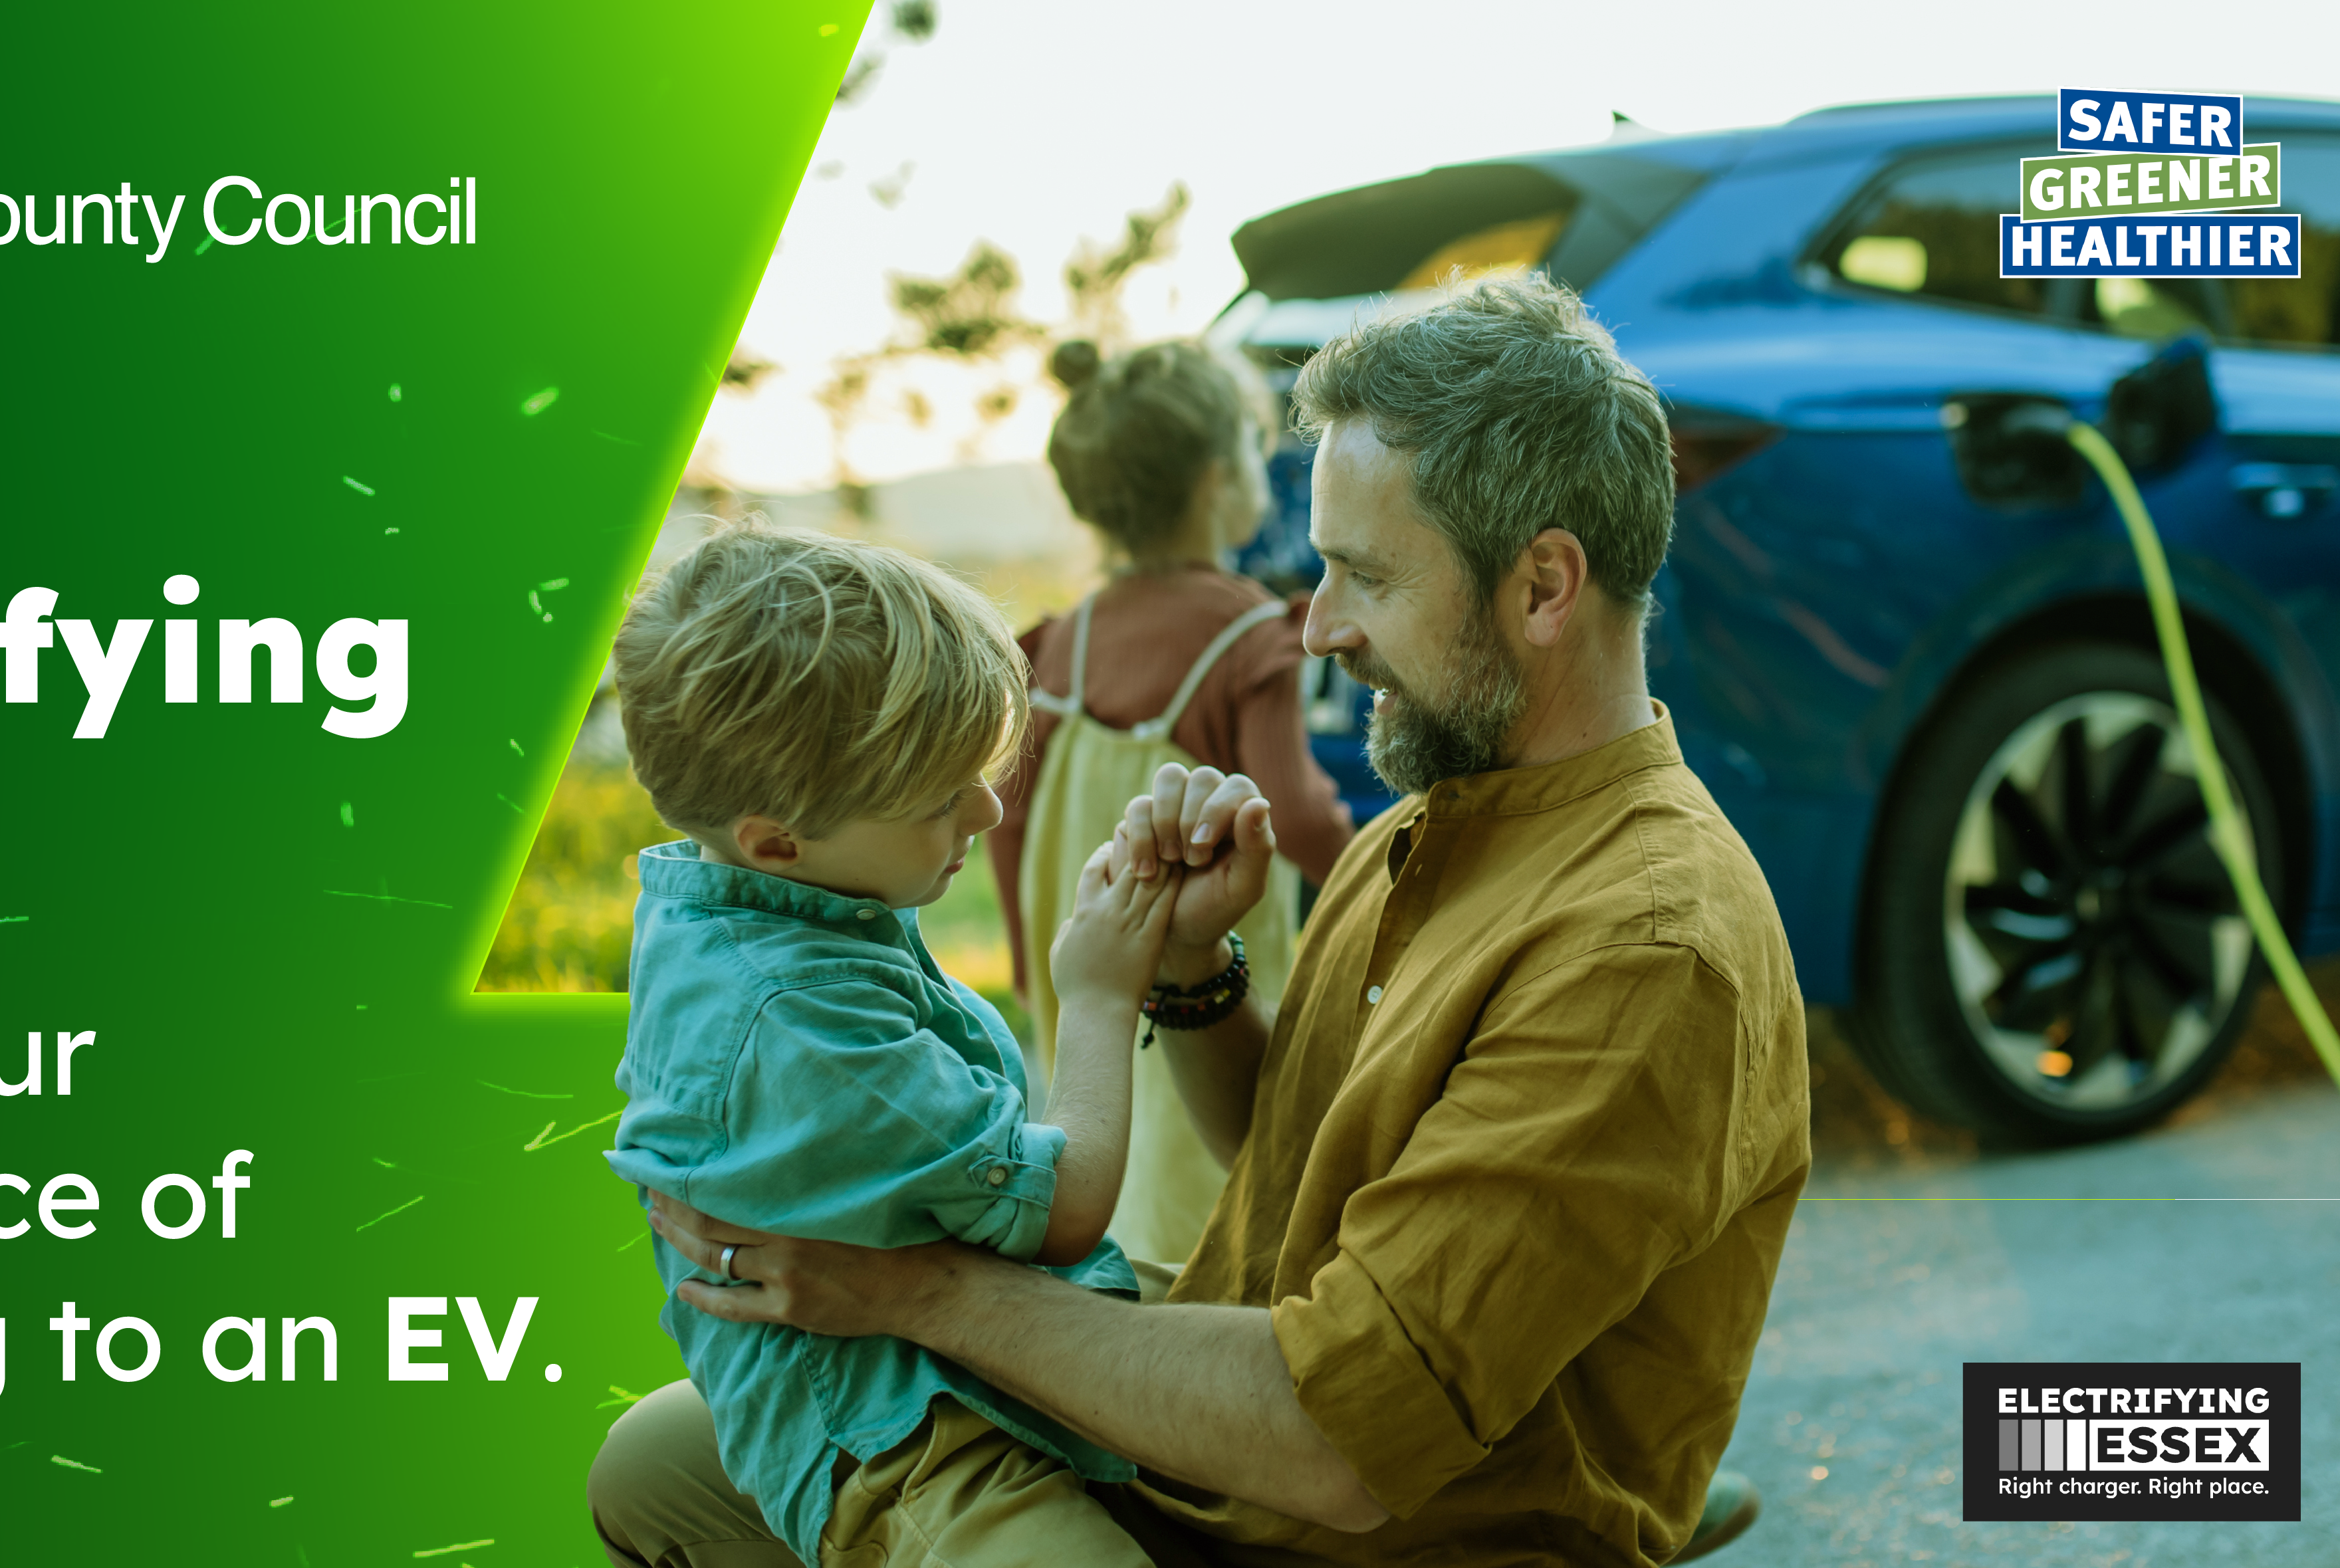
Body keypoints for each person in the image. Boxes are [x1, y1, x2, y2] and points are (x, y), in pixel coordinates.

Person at [593, 276, 1811, 1568]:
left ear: (1545, 587)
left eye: (1363, 574)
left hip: (1347, 1527)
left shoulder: (1644, 951)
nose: (1319, 624)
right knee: (659, 1463)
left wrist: (919, 1294)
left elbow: (1334, 1441)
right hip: (1208, 1474)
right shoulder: (1439, 823)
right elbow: (1290, 1155)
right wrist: (1192, 973)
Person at [599, 520, 1190, 1568]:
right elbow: (1065, 1207)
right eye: (936, 801)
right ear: (776, 836)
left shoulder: (763, 896)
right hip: (911, 1437)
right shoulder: (797, 1020)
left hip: (947, 1357)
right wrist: (1099, 993)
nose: (987, 806)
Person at [996, 338, 1355, 1267]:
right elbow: (1301, 813)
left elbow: (1013, 825)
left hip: (1090, 950)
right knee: (1220, 1167)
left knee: (1115, 1140)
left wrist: (1035, 966)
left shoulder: (1061, 640)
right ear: (1212, 477)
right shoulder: (1244, 632)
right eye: (1248, 444)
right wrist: (1381, 886)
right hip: (1206, 968)